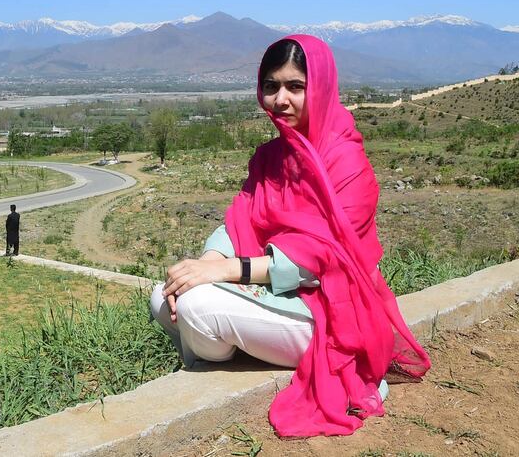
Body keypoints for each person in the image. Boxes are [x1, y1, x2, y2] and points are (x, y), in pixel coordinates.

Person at [150, 35, 431, 437]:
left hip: (332, 316)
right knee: (164, 294)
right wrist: (205, 264)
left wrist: (224, 273)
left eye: (296, 87)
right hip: (279, 298)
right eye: (271, 86)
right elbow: (238, 220)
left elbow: (316, 260)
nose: (281, 99)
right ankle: (234, 342)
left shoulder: (347, 163)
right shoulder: (271, 157)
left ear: (321, 87)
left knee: (196, 305)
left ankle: (234, 351)